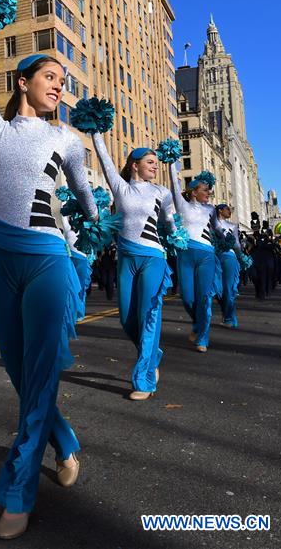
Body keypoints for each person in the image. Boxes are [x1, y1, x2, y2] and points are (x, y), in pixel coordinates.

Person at [0, 0, 98, 537]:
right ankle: (64, 442)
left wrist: (93, 222)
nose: (59, 85)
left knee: (39, 374)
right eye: (50, 76)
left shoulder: (67, 138)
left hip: (47, 260)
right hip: (0, 260)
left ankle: (17, 490)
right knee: (23, 375)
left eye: (62, 79)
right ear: (23, 82)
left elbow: (85, 197)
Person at [92, 139, 176, 400]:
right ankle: (152, 356)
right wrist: (96, 133)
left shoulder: (162, 192)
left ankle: (144, 381)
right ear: (134, 165)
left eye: (157, 163)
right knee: (127, 318)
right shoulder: (121, 188)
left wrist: (176, 235)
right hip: (126, 259)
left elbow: (170, 222)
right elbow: (105, 161)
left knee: (148, 314)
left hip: (153, 256)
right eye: (150, 162)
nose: (155, 167)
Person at [168, 165, 218, 352]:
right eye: (205, 190)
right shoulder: (183, 205)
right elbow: (174, 183)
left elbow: (217, 230)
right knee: (187, 298)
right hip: (186, 255)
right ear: (194, 192)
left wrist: (225, 239)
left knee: (204, 297)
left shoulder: (211, 210)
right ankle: (198, 324)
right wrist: (172, 163)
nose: (209, 193)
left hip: (206, 254)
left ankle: (203, 338)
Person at [214, 204, 242, 328]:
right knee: (217, 289)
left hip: (228, 257)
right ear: (220, 210)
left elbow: (236, 245)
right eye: (227, 209)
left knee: (227, 288)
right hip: (214, 257)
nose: (230, 211)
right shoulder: (212, 223)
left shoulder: (232, 226)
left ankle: (230, 318)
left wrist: (241, 257)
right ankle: (228, 316)